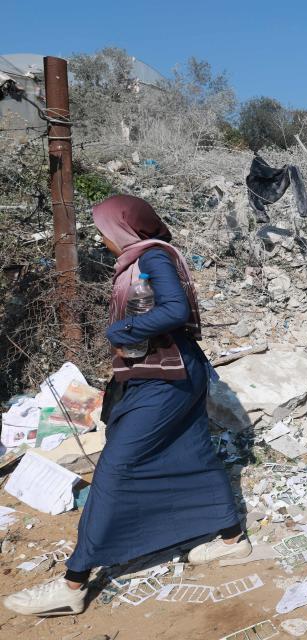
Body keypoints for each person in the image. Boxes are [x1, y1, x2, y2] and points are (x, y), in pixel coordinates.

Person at [4, 196, 249, 617]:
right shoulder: (144, 259)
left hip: (166, 376)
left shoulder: (153, 257)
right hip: (170, 371)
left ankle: (73, 581)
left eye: (104, 230)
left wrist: (122, 329)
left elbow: (174, 308)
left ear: (124, 228)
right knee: (191, 450)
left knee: (116, 467)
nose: (102, 240)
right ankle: (232, 541)